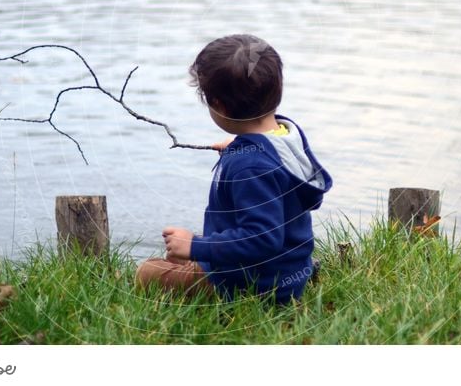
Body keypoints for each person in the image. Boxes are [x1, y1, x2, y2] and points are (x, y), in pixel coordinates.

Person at [134, 34, 332, 304]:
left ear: (219, 106)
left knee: (148, 271)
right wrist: (244, 146)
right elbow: (278, 175)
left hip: (250, 286)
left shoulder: (249, 165)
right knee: (175, 258)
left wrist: (195, 246)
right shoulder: (287, 136)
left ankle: (238, 290)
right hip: (289, 269)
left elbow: (261, 239)